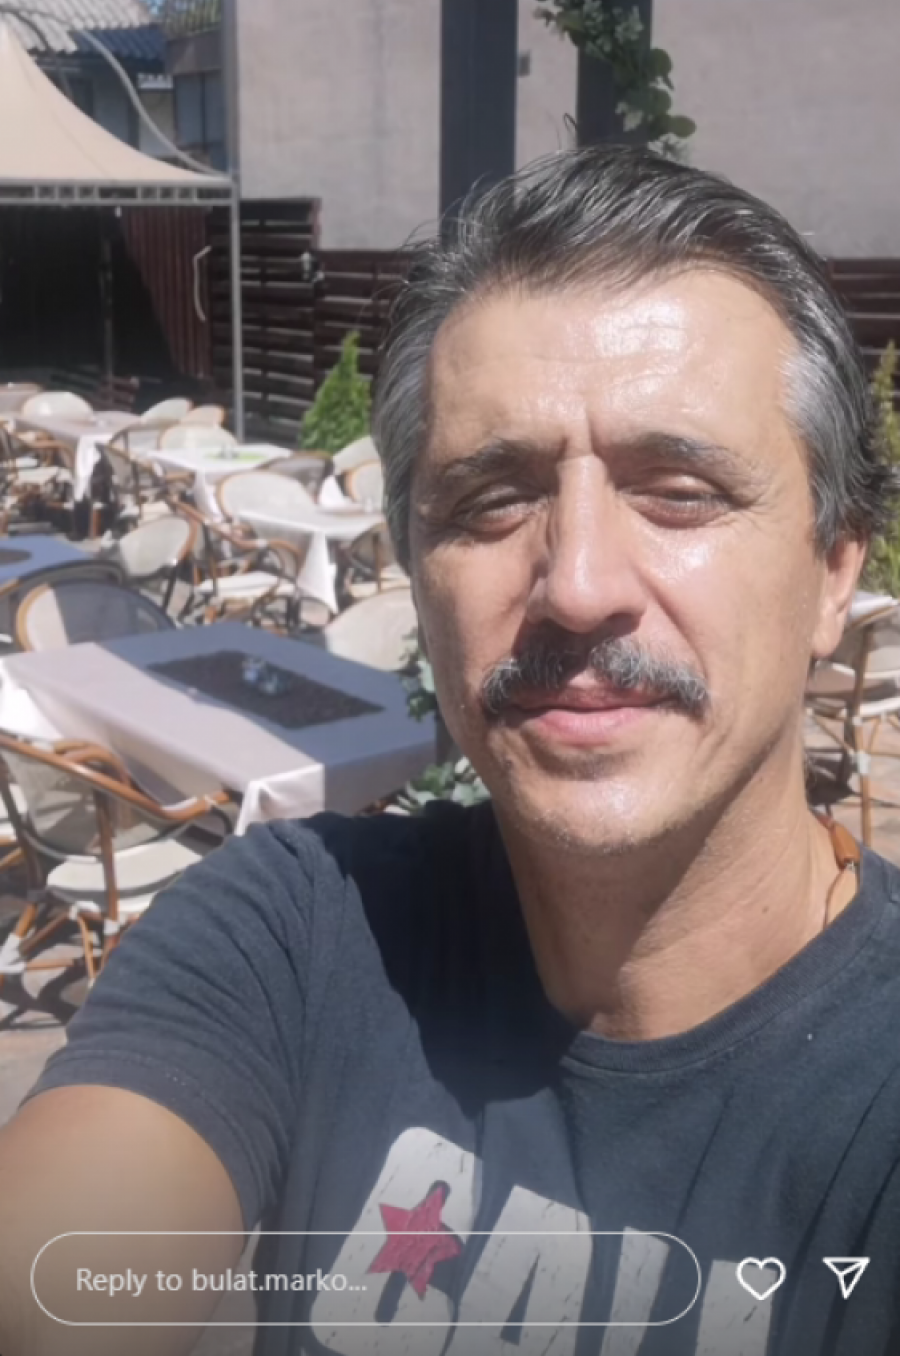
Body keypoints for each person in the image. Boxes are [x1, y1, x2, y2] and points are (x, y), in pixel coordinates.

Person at [1, 144, 899, 1356]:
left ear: (834, 566)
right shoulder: (297, 935)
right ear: (417, 572)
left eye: (680, 489)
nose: (576, 583)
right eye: (492, 500)